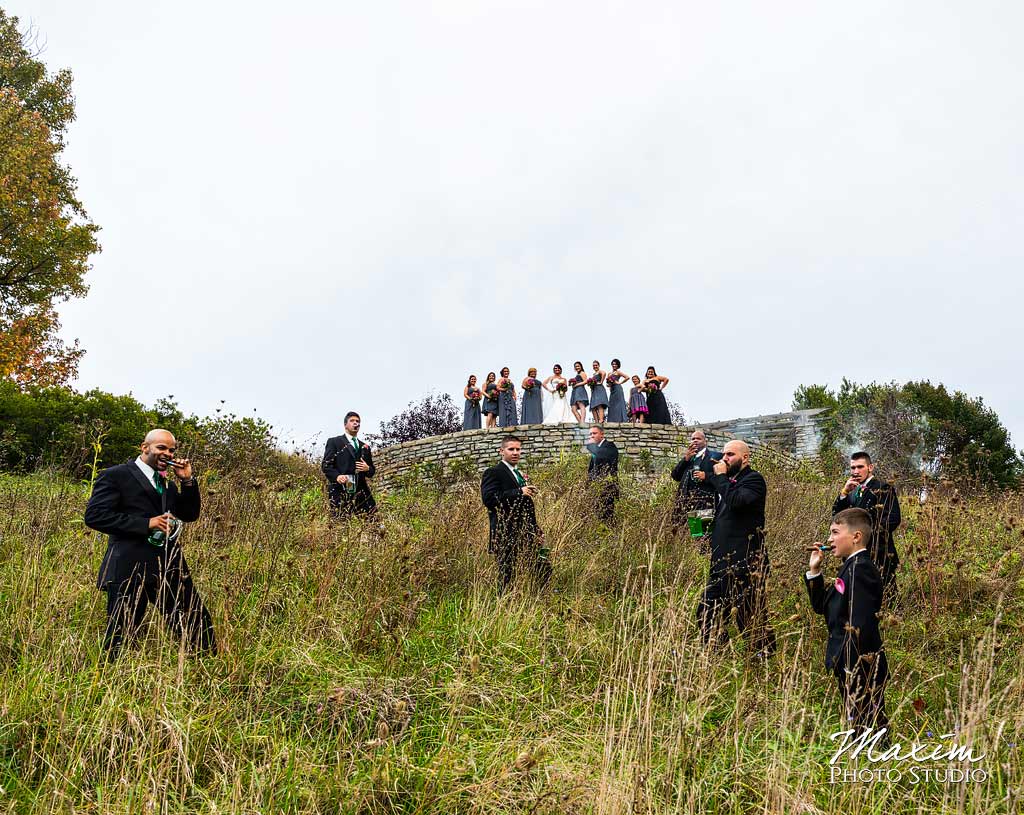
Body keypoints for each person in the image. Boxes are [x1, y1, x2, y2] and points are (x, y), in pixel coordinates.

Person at [84, 429, 216, 660]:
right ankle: (109, 681)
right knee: (121, 634)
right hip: (129, 566)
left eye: (172, 450)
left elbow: (189, 513)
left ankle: (209, 668)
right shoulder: (116, 476)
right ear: (145, 448)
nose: (167, 453)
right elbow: (95, 516)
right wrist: (146, 523)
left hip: (169, 563)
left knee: (195, 619)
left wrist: (187, 481)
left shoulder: (167, 484)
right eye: (161, 448)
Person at [806, 508, 889, 736]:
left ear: (856, 536)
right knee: (860, 723)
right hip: (848, 661)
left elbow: (860, 623)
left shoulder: (861, 570)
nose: (829, 539)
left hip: (859, 662)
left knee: (868, 724)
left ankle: (876, 760)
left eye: (835, 532)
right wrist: (815, 571)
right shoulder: (849, 568)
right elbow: (823, 607)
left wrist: (851, 663)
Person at [696, 440, 776, 657]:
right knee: (706, 608)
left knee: (750, 616)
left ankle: (765, 659)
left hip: (745, 563)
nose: (724, 458)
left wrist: (720, 478)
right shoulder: (729, 482)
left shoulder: (754, 480)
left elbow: (737, 502)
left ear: (745, 458)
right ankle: (719, 653)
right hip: (722, 562)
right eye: (724, 454)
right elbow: (727, 518)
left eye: (730, 454)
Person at [480, 435, 552, 593]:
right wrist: (518, 491)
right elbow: (489, 499)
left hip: (526, 532)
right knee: (507, 575)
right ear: (501, 451)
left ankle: (541, 600)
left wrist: (536, 530)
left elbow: (525, 506)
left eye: (518, 449)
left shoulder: (518, 474)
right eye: (511, 449)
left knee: (542, 567)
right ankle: (503, 608)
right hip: (505, 532)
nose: (515, 452)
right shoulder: (493, 472)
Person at [831, 452, 901, 598]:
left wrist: (865, 536)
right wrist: (844, 493)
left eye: (860, 467)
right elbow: (837, 519)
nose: (856, 472)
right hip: (854, 555)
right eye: (853, 468)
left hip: (880, 554)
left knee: (887, 596)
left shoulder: (883, 488)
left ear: (870, 467)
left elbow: (893, 519)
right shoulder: (852, 491)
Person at [322, 411, 377, 517]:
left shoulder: (365, 447)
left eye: (357, 421)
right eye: (352, 421)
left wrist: (367, 469)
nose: (355, 423)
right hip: (340, 489)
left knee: (373, 520)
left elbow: (371, 472)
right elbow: (326, 465)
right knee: (341, 524)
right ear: (345, 425)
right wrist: (337, 476)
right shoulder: (334, 442)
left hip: (361, 491)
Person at [670, 430, 721, 533]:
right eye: (693, 439)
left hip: (702, 505)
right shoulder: (688, 458)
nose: (695, 441)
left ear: (705, 441)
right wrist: (685, 459)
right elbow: (675, 476)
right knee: (680, 538)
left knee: (700, 538)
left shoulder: (715, 456)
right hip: (683, 504)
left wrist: (706, 476)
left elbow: (722, 478)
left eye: (698, 438)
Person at [585, 425, 619, 522]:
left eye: (594, 433)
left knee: (607, 518)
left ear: (602, 435)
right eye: (590, 434)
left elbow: (602, 455)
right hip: (596, 489)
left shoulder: (610, 446)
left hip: (608, 488)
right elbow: (592, 470)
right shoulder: (596, 449)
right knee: (596, 517)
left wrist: (590, 445)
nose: (592, 436)